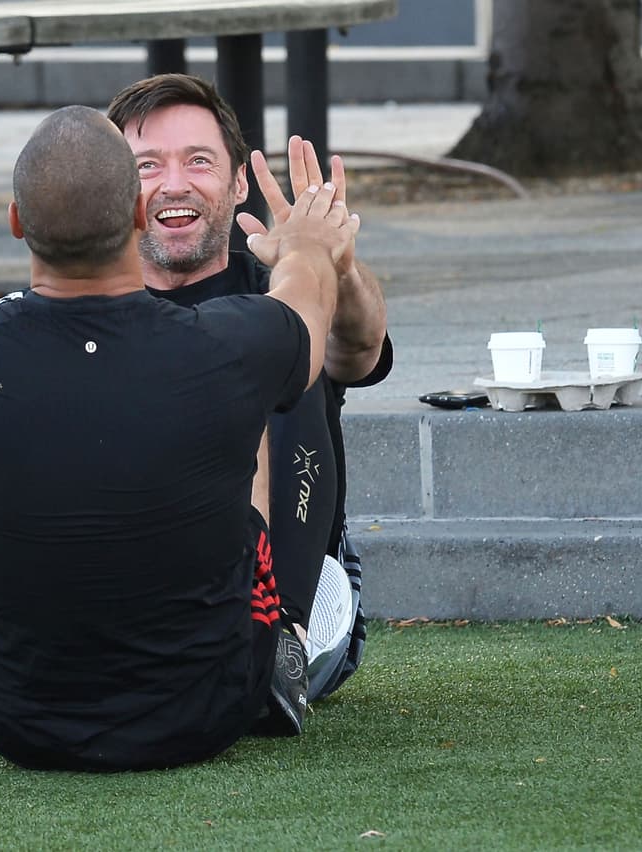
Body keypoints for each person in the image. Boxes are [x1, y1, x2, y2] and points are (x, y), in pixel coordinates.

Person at [0, 105, 358, 771]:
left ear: (19, 224)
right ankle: (284, 630)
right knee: (261, 397)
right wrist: (308, 240)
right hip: (208, 712)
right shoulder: (229, 347)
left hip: (12, 720)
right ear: (138, 216)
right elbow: (308, 298)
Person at [106, 74, 393, 700]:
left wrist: (333, 267)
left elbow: (359, 346)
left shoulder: (281, 290)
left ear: (238, 183)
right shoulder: (85, 302)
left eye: (198, 161)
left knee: (278, 347)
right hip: (135, 580)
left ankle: (280, 640)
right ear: (112, 189)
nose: (174, 184)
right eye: (147, 165)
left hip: (288, 583)